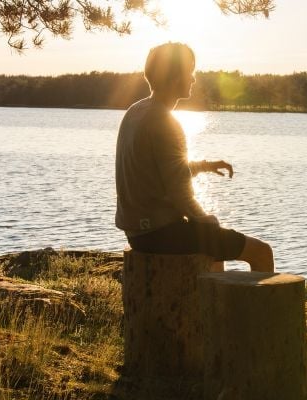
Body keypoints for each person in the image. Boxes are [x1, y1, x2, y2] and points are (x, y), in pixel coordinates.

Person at [116, 42, 273, 272]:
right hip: (161, 234)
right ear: (174, 77)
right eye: (189, 72)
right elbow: (179, 191)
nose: (193, 78)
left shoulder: (136, 111)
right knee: (260, 251)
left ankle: (214, 303)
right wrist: (206, 219)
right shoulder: (165, 122)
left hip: (137, 233)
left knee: (211, 239)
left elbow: (162, 171)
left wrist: (203, 166)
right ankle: (260, 308)